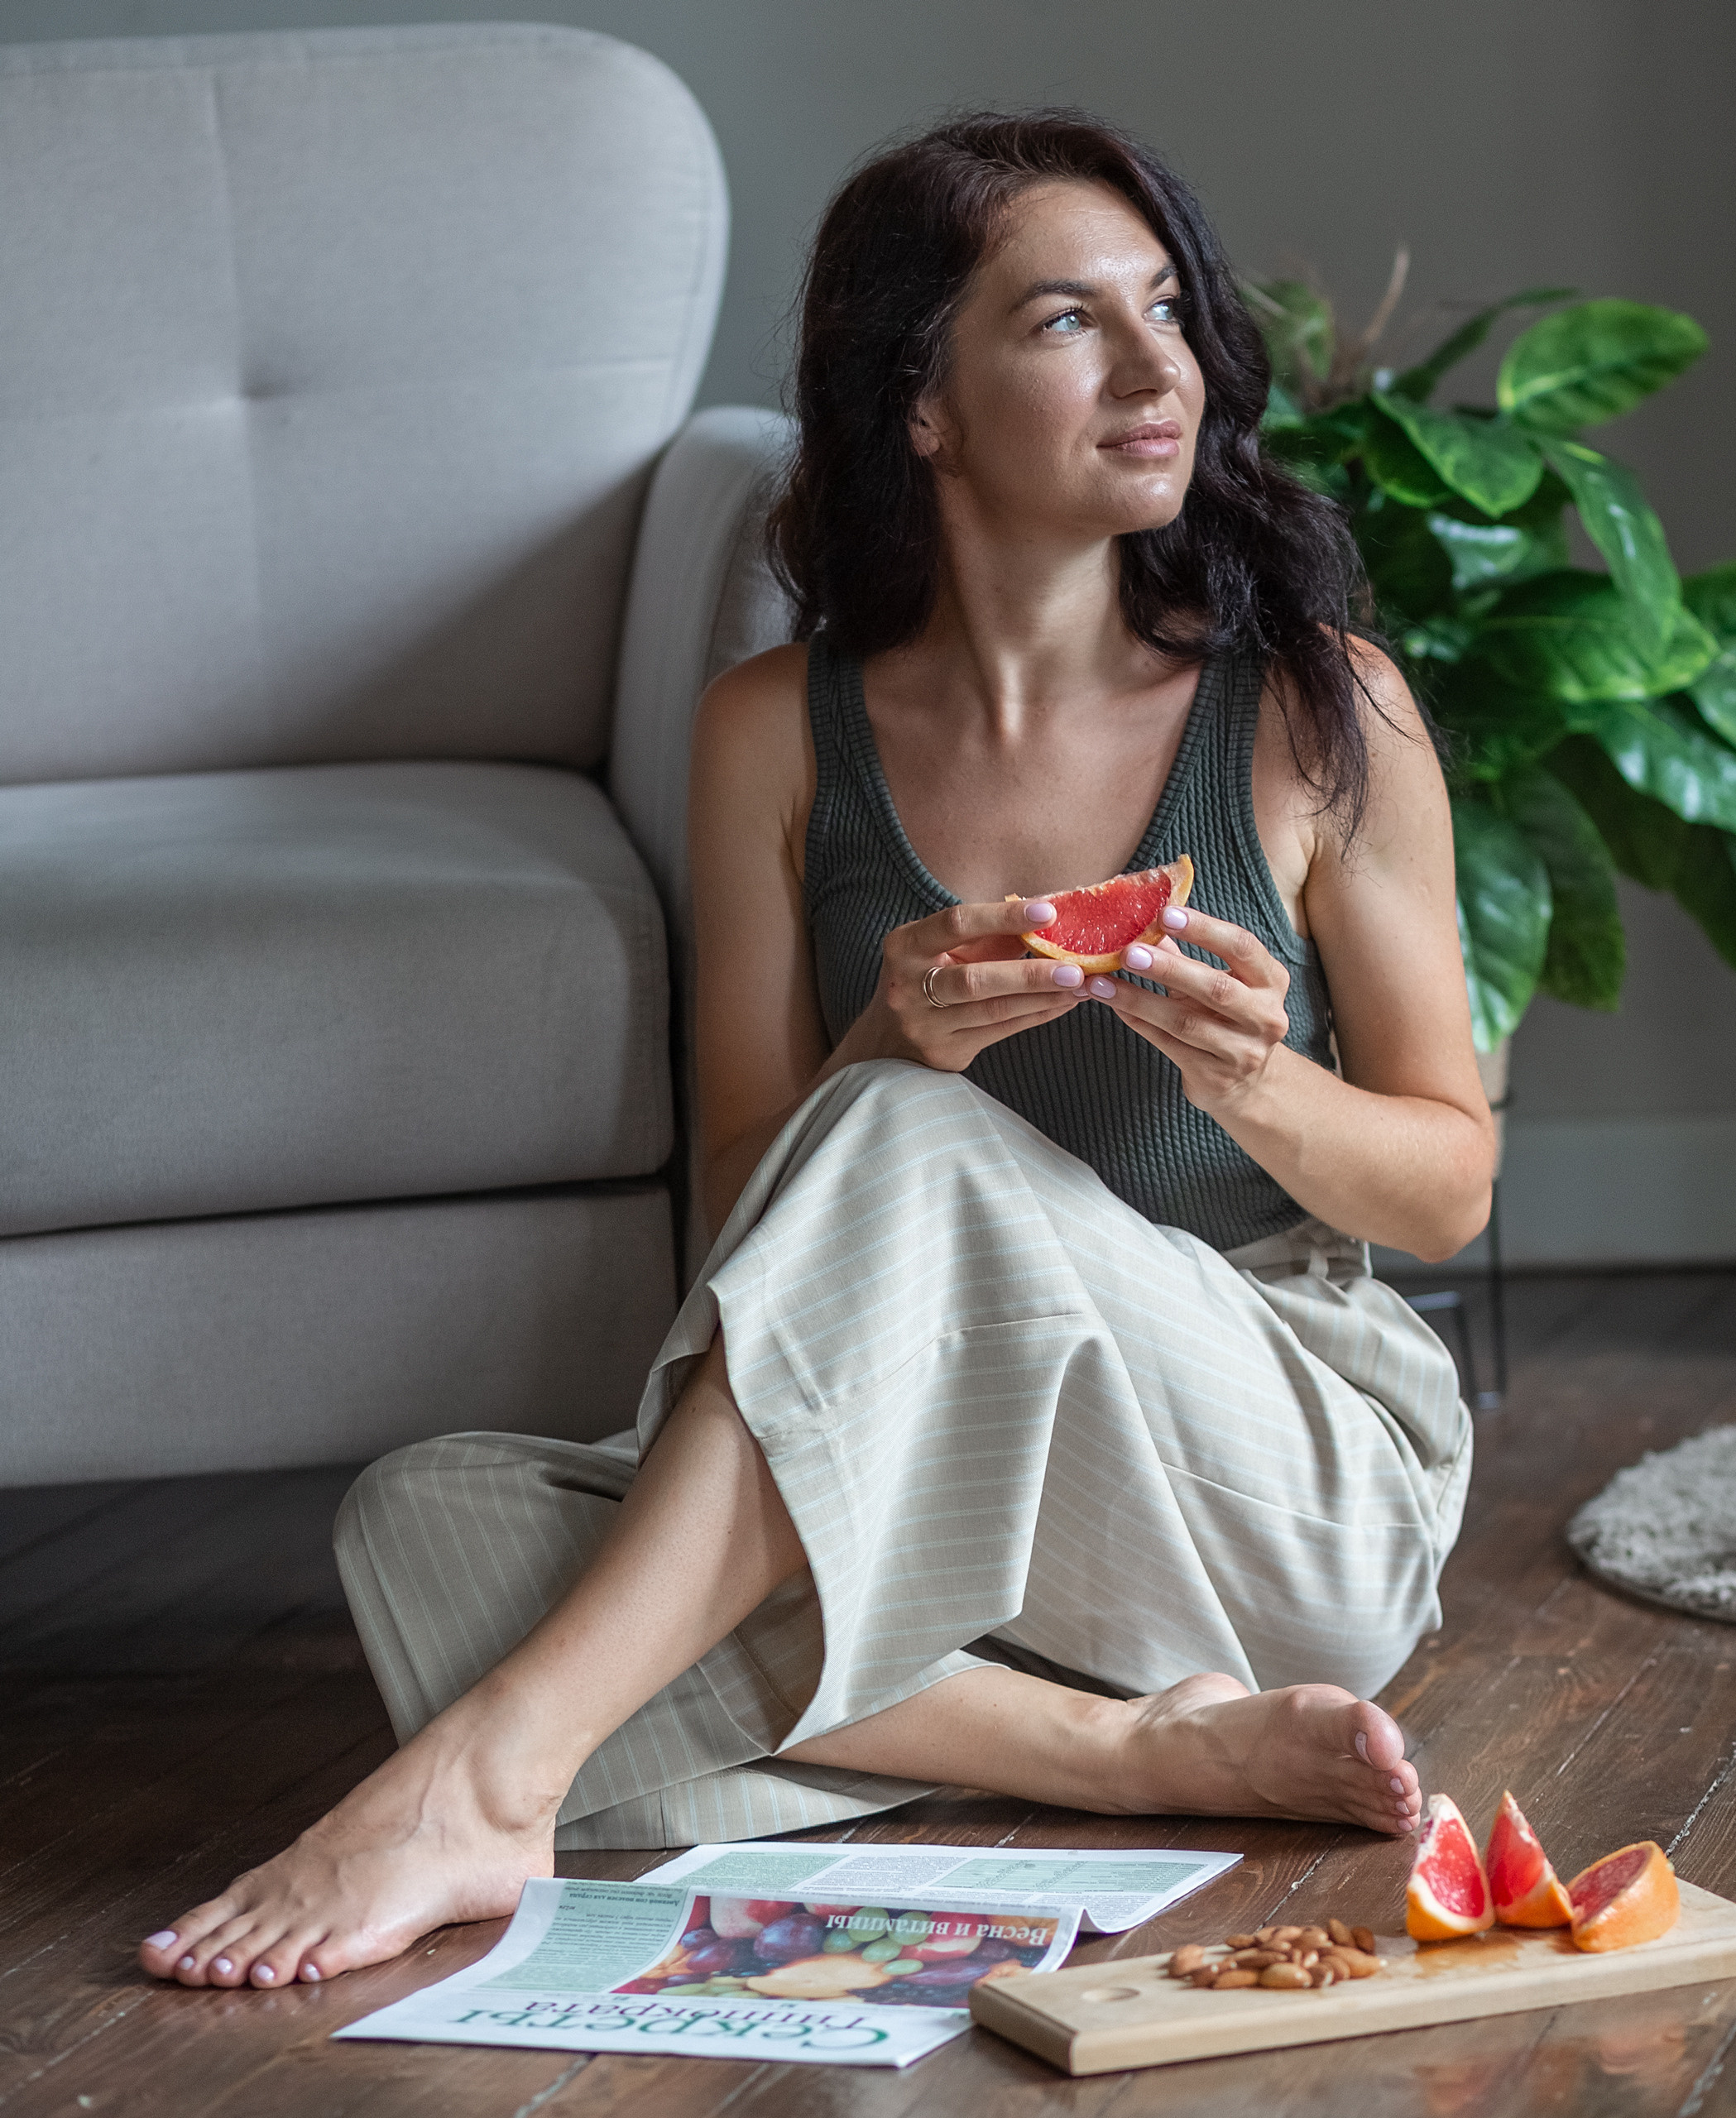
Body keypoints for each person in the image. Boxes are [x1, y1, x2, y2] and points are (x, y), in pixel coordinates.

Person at [138, 110, 1493, 1992]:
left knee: (896, 1150)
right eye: (1062, 321)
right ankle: (1108, 1747)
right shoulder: (772, 731)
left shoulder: (1315, 706)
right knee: (421, 1516)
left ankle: (496, 1767)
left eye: (1164, 308)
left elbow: (1448, 1182)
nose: (1152, 362)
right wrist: (889, 1035)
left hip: (1274, 1482)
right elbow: (737, 1218)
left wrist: (1248, 1075)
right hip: (957, 1492)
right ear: (918, 402)